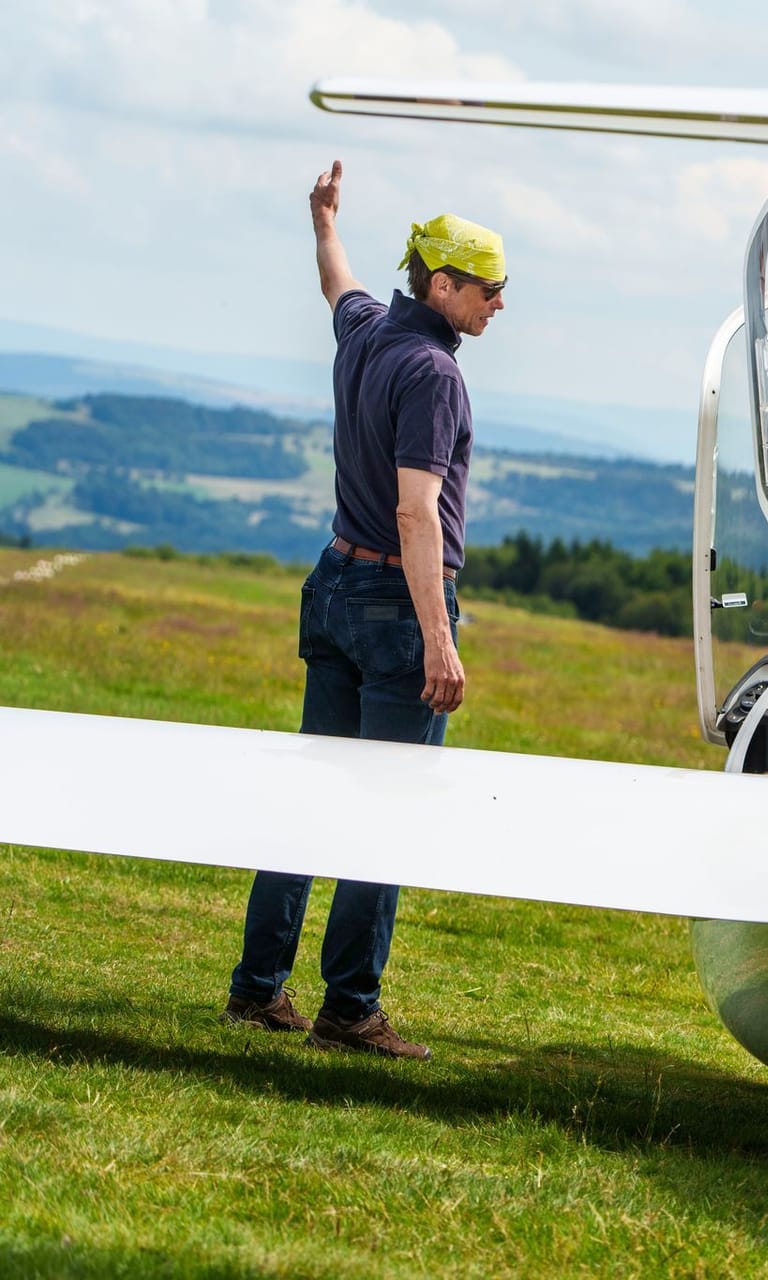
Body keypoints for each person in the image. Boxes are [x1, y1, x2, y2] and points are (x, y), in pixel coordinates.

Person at [222, 160, 507, 1059]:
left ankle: (258, 989)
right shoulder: (432, 374)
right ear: (445, 283)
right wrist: (439, 641)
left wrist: (323, 221)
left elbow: (337, 283)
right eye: (491, 291)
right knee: (386, 809)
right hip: (393, 598)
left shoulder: (368, 333)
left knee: (314, 792)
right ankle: (349, 1008)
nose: (499, 307)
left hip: (334, 587)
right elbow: (416, 512)